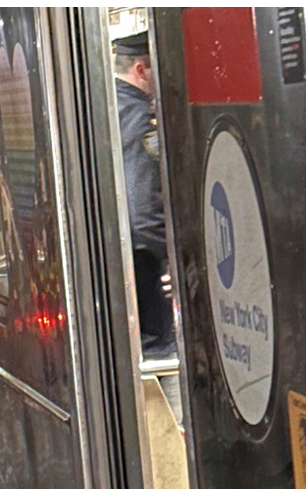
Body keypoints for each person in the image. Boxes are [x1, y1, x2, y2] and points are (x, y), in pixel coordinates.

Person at [114, 31, 176, 359]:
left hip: (121, 264)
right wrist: (175, 256)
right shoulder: (140, 118)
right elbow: (144, 208)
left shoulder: (109, 105)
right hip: (146, 269)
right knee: (161, 357)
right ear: (140, 69)